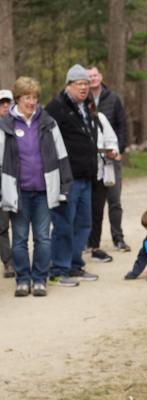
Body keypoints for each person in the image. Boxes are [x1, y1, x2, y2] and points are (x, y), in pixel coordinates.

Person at [0, 77, 73, 296]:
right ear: (18, 99)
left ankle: (40, 279)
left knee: (43, 237)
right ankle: (23, 279)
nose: (31, 102)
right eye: (26, 98)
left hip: (43, 191)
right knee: (20, 238)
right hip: (18, 192)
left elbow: (62, 156)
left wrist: (64, 186)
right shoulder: (6, 126)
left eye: (34, 98)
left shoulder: (48, 123)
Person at [45, 64, 101, 286]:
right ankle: (58, 268)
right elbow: (47, 142)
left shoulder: (87, 106)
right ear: (68, 85)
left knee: (83, 224)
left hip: (86, 175)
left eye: (87, 83)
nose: (84, 88)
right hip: (66, 178)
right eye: (80, 84)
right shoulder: (56, 108)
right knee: (63, 224)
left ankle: (75, 264)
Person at [87, 66, 131, 253]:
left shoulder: (112, 99)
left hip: (111, 158)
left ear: (101, 77)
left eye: (95, 75)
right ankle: (90, 241)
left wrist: (118, 149)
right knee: (91, 203)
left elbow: (122, 125)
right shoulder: (82, 100)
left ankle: (118, 238)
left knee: (114, 200)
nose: (92, 79)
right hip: (90, 160)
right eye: (89, 77)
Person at [0, 89, 15, 278]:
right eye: (1, 103)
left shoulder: (19, 125)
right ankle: (8, 261)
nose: (5, 106)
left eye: (8, 103)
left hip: (18, 175)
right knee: (2, 224)